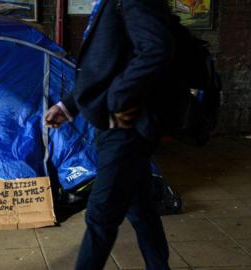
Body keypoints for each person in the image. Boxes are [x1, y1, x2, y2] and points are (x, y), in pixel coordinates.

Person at [44, 0, 175, 269]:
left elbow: (157, 49)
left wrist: (118, 98)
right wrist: (67, 106)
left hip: (125, 125)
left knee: (100, 215)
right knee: (140, 208)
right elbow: (106, 66)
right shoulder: (110, 3)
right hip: (117, 123)